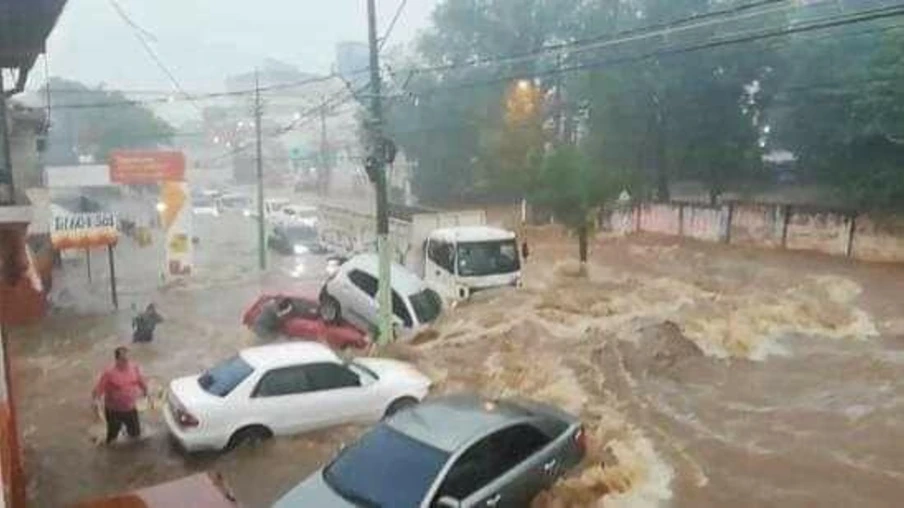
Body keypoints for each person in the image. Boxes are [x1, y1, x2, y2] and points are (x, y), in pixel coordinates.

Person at [91, 347, 149, 444]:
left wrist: (146, 392)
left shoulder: (134, 368)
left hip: (130, 409)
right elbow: (98, 390)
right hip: (114, 411)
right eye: (123, 359)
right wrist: (95, 404)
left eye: (127, 359)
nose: (126, 362)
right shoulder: (109, 373)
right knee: (112, 439)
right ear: (117, 360)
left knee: (136, 436)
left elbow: (141, 381)